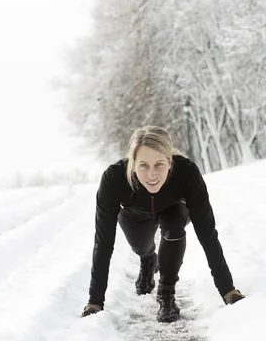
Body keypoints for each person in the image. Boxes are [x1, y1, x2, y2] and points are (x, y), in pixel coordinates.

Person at [81, 125, 244, 322]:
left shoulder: (187, 173)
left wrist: (228, 290)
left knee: (174, 226)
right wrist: (95, 301)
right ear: (133, 163)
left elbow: (207, 234)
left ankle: (166, 294)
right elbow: (103, 241)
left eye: (159, 164)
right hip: (134, 214)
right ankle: (148, 259)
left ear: (169, 160)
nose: (152, 175)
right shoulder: (114, 178)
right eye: (143, 165)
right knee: (140, 246)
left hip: (173, 208)